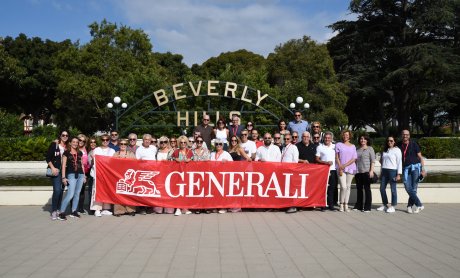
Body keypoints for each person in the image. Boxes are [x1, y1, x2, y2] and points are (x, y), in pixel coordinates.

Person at [58, 137, 86, 220]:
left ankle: (74, 211)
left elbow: (81, 165)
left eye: (77, 142)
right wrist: (63, 177)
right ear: (70, 143)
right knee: (70, 194)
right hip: (71, 175)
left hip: (80, 175)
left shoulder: (80, 152)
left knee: (77, 194)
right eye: (73, 142)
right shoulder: (66, 153)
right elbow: (63, 166)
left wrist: (84, 175)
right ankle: (61, 212)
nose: (75, 143)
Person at [398, 130, 426, 213]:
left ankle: (409, 206)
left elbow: (420, 157)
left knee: (414, 189)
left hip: (415, 168)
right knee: (407, 187)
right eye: (403, 134)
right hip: (405, 169)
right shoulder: (398, 145)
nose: (405, 136)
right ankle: (419, 205)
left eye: (407, 134)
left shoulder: (414, 144)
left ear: (409, 136)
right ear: (401, 135)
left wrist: (423, 169)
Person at [90, 134, 115, 217]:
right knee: (97, 191)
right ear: (101, 141)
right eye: (103, 140)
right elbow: (94, 161)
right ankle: (97, 209)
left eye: (107, 140)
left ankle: (106, 208)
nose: (105, 141)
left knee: (107, 191)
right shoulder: (96, 150)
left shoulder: (112, 151)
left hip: (108, 175)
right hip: (98, 174)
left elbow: (113, 163)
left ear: (109, 141)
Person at [46, 130, 69, 220]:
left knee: (61, 190)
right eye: (63, 135)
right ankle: (54, 210)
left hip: (65, 171)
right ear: (60, 136)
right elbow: (47, 157)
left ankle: (59, 209)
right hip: (56, 171)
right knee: (57, 190)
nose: (65, 136)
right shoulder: (54, 145)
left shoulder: (68, 146)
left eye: (66, 135)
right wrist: (52, 168)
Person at [378, 136, 402, 213]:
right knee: (382, 188)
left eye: (391, 141)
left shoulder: (397, 150)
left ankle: (393, 206)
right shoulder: (385, 150)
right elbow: (382, 161)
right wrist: (381, 171)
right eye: (388, 141)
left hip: (393, 171)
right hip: (384, 170)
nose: (389, 142)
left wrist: (399, 174)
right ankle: (385, 204)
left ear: (394, 141)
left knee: (393, 189)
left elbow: (399, 162)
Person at [113, 138, 136, 217]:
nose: (123, 145)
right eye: (121, 144)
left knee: (129, 193)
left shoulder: (131, 154)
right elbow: (111, 165)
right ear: (119, 145)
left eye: (125, 144)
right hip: (118, 176)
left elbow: (135, 164)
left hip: (128, 177)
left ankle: (131, 209)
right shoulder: (115, 154)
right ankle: (119, 211)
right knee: (119, 193)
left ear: (127, 145)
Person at [170, 135, 193, 216]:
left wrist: (190, 160)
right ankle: (178, 208)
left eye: (184, 142)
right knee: (178, 191)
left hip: (187, 174)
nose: (183, 144)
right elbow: (170, 160)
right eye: (181, 142)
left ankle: (185, 208)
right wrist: (176, 159)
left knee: (186, 191)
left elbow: (193, 161)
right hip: (178, 174)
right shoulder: (176, 151)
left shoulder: (189, 152)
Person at [335, 130, 357, 212]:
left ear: (350, 136)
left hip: (351, 168)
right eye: (344, 135)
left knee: (348, 187)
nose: (345, 136)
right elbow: (336, 157)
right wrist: (341, 166)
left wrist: (345, 165)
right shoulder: (338, 145)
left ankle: (346, 204)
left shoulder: (353, 146)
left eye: (347, 135)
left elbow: (354, 158)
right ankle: (341, 203)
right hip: (341, 168)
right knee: (343, 187)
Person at [135, 134, 157, 215]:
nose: (147, 141)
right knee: (143, 191)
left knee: (150, 191)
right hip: (143, 172)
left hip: (152, 172)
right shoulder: (139, 149)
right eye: (145, 139)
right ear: (143, 140)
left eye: (149, 139)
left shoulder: (154, 148)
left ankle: (150, 208)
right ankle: (142, 208)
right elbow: (137, 161)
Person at [210, 139, 234, 214]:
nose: (218, 145)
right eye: (216, 144)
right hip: (213, 175)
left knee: (223, 192)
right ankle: (215, 206)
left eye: (220, 144)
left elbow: (233, 164)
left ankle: (223, 206)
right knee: (214, 192)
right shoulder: (212, 153)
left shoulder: (226, 154)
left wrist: (227, 162)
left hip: (223, 175)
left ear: (223, 145)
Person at [316, 132, 337, 211]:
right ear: (323, 138)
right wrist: (326, 163)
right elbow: (317, 159)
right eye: (326, 138)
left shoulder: (335, 146)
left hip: (333, 170)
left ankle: (331, 205)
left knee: (332, 188)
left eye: (329, 138)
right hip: (323, 171)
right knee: (323, 188)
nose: (327, 139)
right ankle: (323, 205)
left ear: (331, 138)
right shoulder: (320, 147)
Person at [354, 134, 376, 212]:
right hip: (358, 172)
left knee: (367, 189)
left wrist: (371, 171)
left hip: (366, 172)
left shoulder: (370, 149)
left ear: (367, 140)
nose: (362, 140)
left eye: (364, 139)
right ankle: (359, 206)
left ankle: (367, 207)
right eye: (361, 139)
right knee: (359, 189)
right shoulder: (357, 149)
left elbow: (373, 161)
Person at [154, 136, 174, 214]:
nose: (163, 144)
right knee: (160, 190)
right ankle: (159, 207)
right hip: (159, 173)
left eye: (165, 142)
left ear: (167, 142)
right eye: (161, 142)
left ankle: (168, 207)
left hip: (168, 173)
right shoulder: (157, 151)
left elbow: (173, 162)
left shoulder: (171, 151)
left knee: (168, 190)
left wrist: (166, 163)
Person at [281, 133, 300, 213]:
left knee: (291, 189)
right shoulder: (284, 148)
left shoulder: (294, 148)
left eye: (288, 139)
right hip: (283, 171)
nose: (286, 140)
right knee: (285, 189)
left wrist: (291, 170)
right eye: (285, 139)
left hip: (290, 171)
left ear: (291, 139)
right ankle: (287, 205)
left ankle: (293, 206)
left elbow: (295, 161)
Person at [76, 134, 90, 215]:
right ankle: (73, 208)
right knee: (74, 191)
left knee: (82, 190)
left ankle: (80, 208)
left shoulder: (86, 149)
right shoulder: (73, 148)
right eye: (79, 140)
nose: (81, 142)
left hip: (85, 173)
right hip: (75, 172)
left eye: (83, 141)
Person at [86, 137, 97, 215]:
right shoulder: (89, 152)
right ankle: (92, 208)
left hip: (99, 173)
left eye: (94, 142)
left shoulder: (98, 151)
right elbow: (90, 164)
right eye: (91, 142)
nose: (93, 143)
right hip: (91, 173)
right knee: (91, 190)